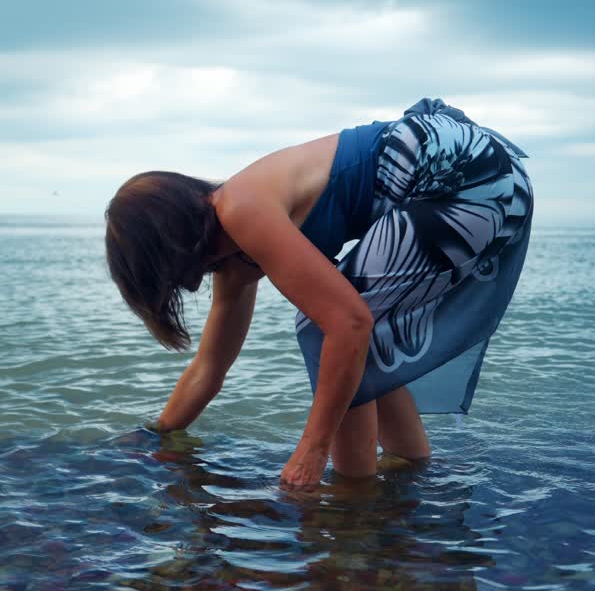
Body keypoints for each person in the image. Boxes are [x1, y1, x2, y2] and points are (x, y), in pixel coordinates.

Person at [104, 98, 534, 490]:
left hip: (463, 176)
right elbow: (210, 367)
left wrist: (312, 447)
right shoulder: (235, 256)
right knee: (361, 338)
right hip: (486, 176)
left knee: (327, 328)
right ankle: (409, 468)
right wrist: (156, 435)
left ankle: (354, 501)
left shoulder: (242, 208)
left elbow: (348, 324)